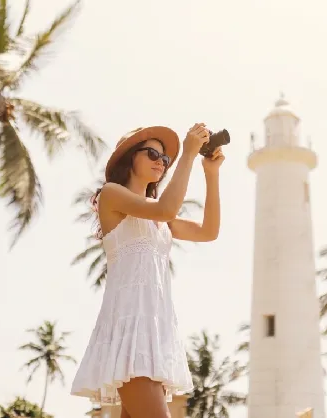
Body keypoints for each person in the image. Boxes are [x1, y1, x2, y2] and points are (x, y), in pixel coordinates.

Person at [70, 123, 224, 418]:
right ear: (130, 158)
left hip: (153, 335)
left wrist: (211, 173)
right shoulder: (112, 195)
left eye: (165, 159)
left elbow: (208, 231)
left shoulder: (158, 213)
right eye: (153, 153)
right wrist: (188, 155)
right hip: (130, 333)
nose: (161, 162)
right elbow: (166, 209)